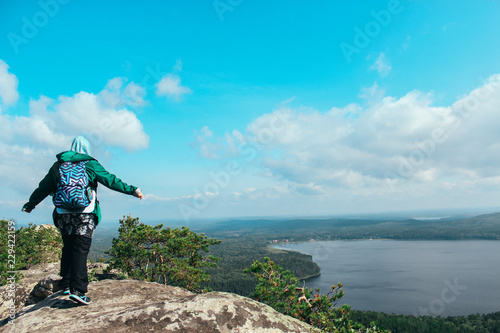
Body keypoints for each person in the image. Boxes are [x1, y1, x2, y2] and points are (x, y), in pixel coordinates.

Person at [22, 136, 143, 305]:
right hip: (84, 213)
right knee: (80, 249)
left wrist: (30, 205)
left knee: (69, 247)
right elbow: (110, 180)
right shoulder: (90, 164)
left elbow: (44, 187)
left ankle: (65, 283)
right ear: (87, 150)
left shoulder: (58, 165)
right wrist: (133, 190)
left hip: (63, 214)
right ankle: (78, 290)